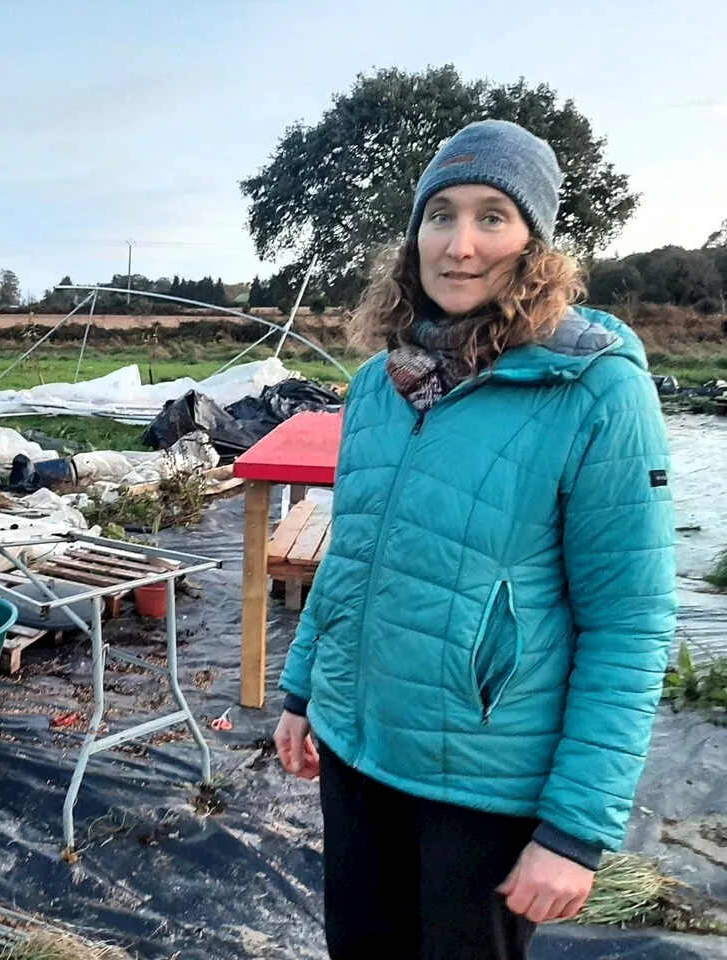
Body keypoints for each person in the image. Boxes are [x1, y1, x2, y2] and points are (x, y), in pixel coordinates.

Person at [273, 119, 677, 959]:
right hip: (357, 748)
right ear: (412, 233)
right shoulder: (381, 384)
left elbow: (629, 623)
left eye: (492, 215)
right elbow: (352, 555)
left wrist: (575, 830)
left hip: (486, 782)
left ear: (535, 243)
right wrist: (304, 692)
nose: (459, 245)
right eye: (440, 214)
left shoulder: (594, 390)